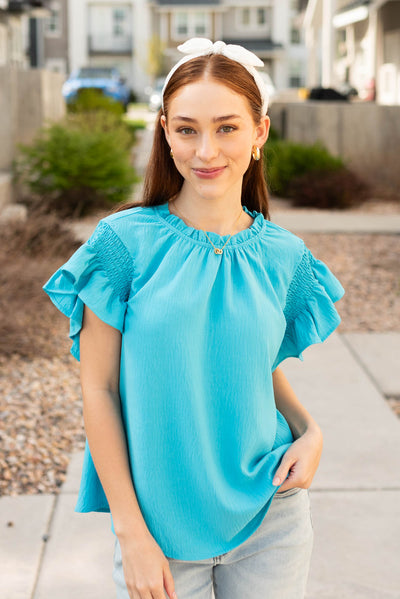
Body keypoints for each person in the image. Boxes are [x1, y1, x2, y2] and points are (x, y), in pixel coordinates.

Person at [43, 38, 345, 599]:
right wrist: (130, 531)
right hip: (158, 528)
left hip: (270, 517)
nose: (206, 150)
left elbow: (253, 367)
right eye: (187, 129)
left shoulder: (286, 257)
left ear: (259, 133)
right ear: (165, 131)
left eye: (227, 128)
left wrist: (311, 432)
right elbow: (100, 390)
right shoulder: (122, 246)